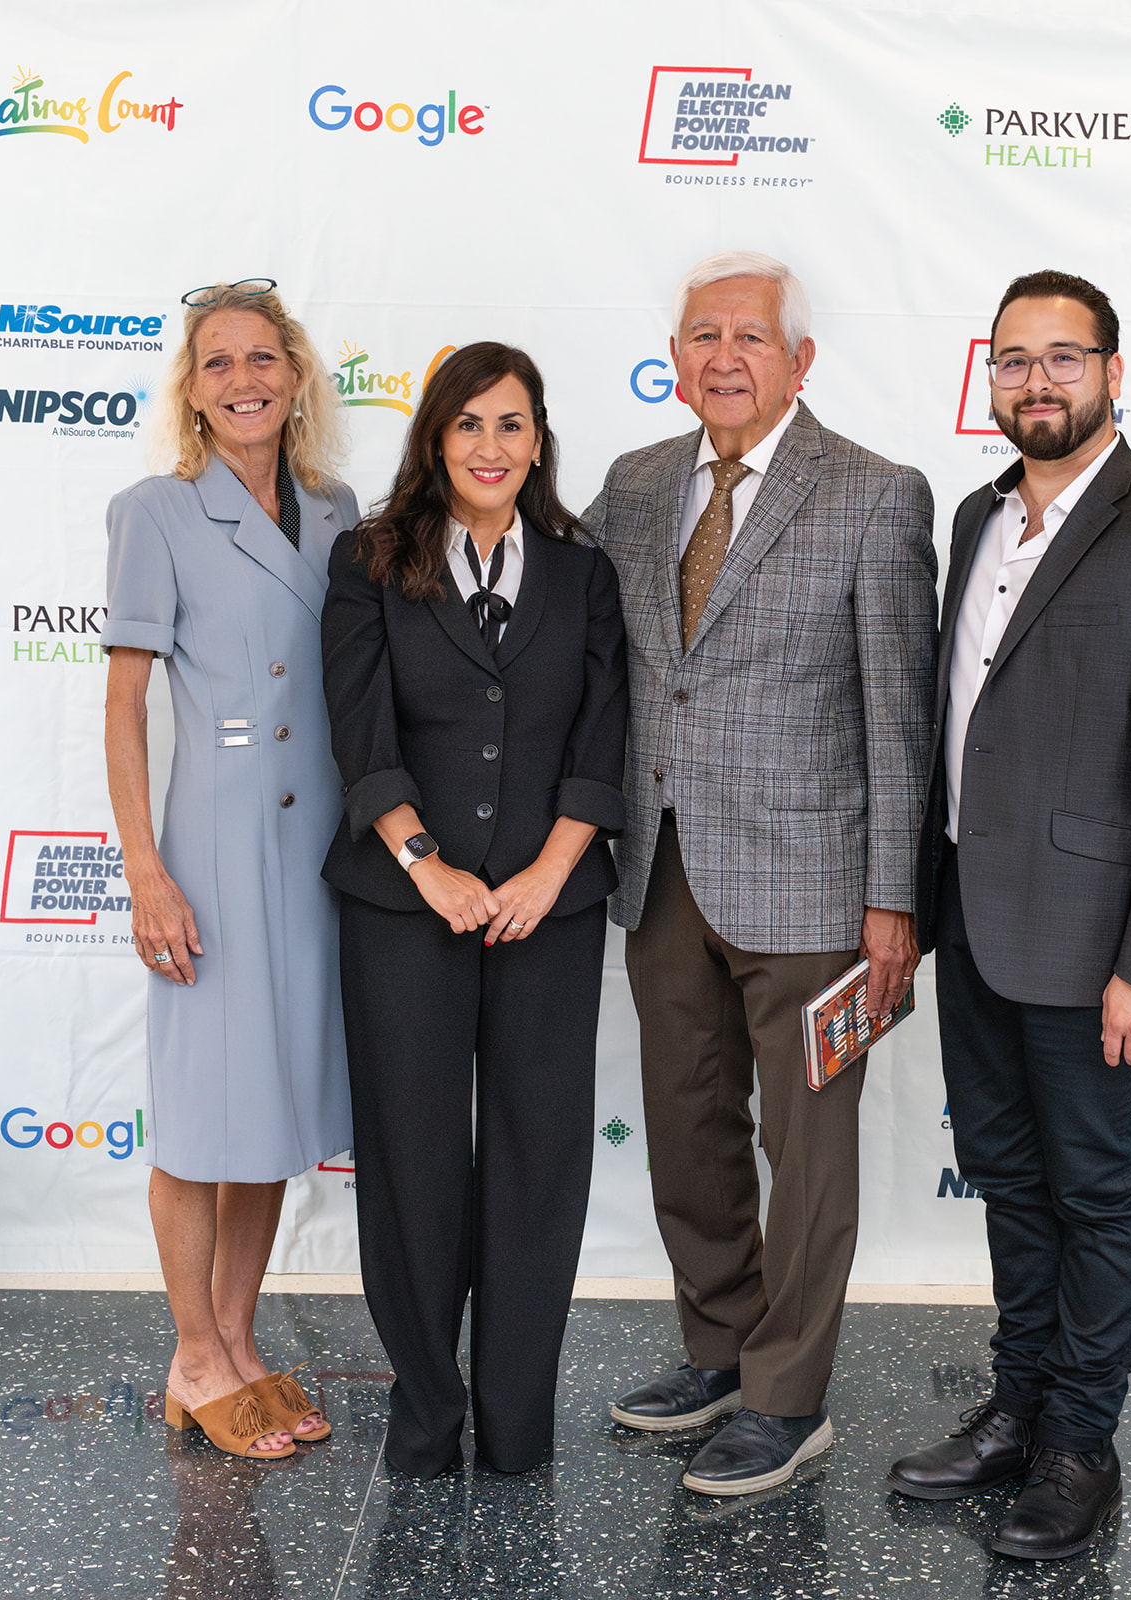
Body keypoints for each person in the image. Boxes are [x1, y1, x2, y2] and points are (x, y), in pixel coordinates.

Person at [887, 270, 1131, 1559]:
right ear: (989, 375)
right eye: (1013, 359)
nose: (1035, 380)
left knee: (1094, 1194)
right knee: (1008, 1181)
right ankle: (1017, 1409)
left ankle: (1080, 1445)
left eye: (1063, 357)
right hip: (975, 923)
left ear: (1112, 371)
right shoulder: (978, 518)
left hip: (1098, 944)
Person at [583, 251, 938, 1496]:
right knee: (687, 1129)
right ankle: (722, 1349)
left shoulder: (875, 495)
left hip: (816, 884)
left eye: (749, 336)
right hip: (662, 869)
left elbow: (900, 718)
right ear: (675, 358)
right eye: (702, 335)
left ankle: (789, 1398)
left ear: (800, 361)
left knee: (808, 1148)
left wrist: (892, 904)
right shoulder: (634, 484)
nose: (723, 356)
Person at [321, 341, 627, 1479]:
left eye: (511, 424)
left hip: (551, 906)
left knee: (540, 1158)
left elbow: (603, 735)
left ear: (539, 439)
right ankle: (426, 1415)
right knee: (413, 1158)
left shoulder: (583, 571)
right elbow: (362, 732)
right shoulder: (370, 560)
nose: (490, 446)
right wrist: (427, 866)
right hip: (405, 909)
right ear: (434, 440)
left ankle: (515, 1422)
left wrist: (548, 873)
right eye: (468, 424)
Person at [103, 279, 359, 1460]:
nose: (244, 379)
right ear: (193, 389)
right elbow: (124, 705)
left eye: (264, 357)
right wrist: (145, 871)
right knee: (202, 1114)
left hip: (316, 849)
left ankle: (239, 1341)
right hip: (213, 842)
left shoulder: (336, 508)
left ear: (294, 377)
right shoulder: (155, 511)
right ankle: (193, 1351)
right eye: (219, 362)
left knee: (272, 1104)